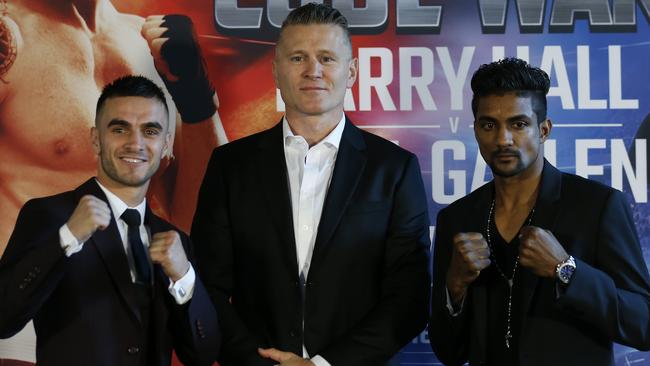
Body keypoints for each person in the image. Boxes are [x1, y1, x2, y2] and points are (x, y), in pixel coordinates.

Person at [191, 3, 430, 366]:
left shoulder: (394, 169)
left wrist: (324, 365)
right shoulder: (230, 166)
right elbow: (208, 287)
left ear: (351, 72)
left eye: (327, 58)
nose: (313, 71)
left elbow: (409, 297)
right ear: (276, 70)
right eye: (298, 57)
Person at [0, 1, 224, 359]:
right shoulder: (7, 34)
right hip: (28, 328)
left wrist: (196, 98)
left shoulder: (148, 42)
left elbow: (202, 216)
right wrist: (65, 237)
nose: (135, 141)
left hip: (138, 319)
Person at [429, 58, 650, 365]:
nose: (503, 139)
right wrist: (454, 286)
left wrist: (566, 270)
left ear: (544, 130)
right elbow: (448, 352)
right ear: (476, 129)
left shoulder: (598, 206)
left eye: (518, 124)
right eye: (489, 124)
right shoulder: (457, 219)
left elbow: (643, 323)